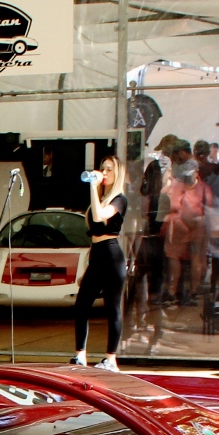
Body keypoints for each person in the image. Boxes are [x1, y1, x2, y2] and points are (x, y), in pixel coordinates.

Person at [73, 154, 128, 372]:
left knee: (112, 307)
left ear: (117, 174)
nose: (104, 174)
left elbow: (100, 217)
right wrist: (86, 267)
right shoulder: (101, 196)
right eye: (102, 169)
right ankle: (80, 355)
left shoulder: (119, 199)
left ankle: (111, 359)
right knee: (81, 305)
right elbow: (92, 232)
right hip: (96, 254)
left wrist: (93, 188)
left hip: (111, 255)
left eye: (109, 170)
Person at [162, 158, 206, 304]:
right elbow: (210, 205)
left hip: (180, 223)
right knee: (194, 257)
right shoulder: (202, 187)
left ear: (196, 173)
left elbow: (173, 204)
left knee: (176, 257)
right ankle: (191, 291)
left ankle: (173, 291)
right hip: (194, 223)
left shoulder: (178, 185)